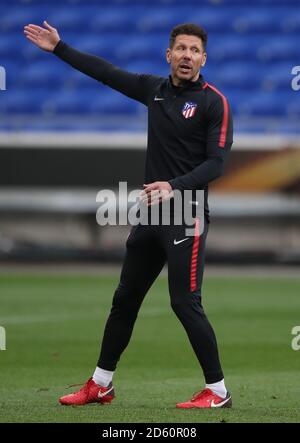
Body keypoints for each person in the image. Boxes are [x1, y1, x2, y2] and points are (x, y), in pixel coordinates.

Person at [24, 21, 233, 409]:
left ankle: (218, 391)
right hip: (151, 215)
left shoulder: (213, 102)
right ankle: (101, 384)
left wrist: (174, 185)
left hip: (186, 213)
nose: (187, 55)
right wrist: (59, 48)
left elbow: (216, 165)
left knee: (185, 303)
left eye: (195, 50)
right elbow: (105, 73)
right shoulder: (153, 90)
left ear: (204, 58)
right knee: (125, 299)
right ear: (168, 55)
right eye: (181, 49)